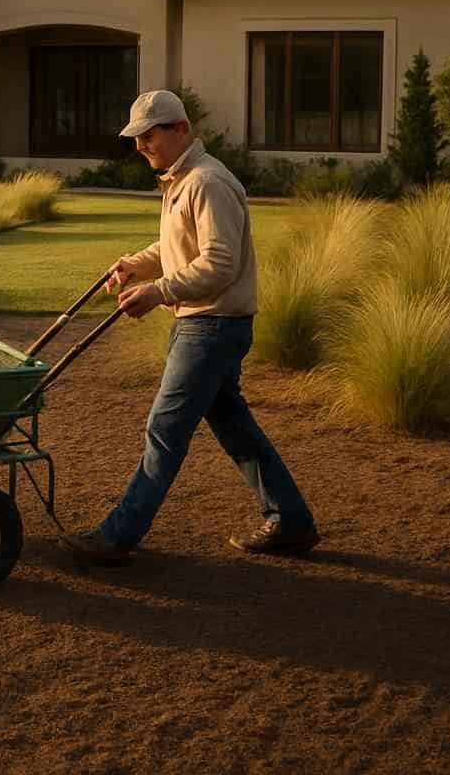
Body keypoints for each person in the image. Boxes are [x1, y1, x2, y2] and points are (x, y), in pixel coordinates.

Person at [58, 89, 319, 566]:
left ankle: (117, 536)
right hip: (206, 323)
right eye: (135, 138)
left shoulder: (207, 182)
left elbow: (219, 264)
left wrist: (158, 291)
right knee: (233, 426)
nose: (140, 146)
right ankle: (292, 521)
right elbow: (179, 249)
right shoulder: (182, 180)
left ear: (180, 128)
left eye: (149, 135)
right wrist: (135, 266)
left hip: (212, 326)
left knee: (165, 427)